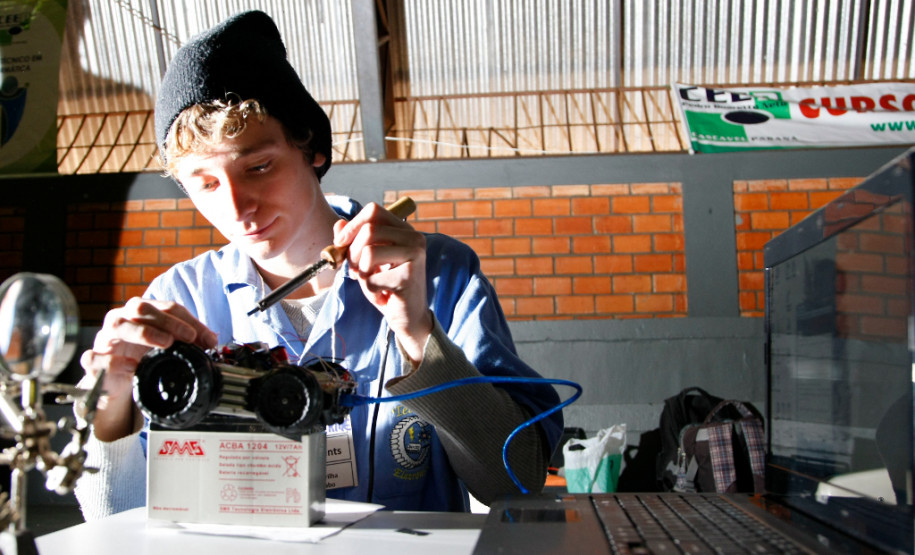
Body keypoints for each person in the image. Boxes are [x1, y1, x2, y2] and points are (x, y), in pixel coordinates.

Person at [74, 10, 563, 518]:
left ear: (309, 146)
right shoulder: (183, 300)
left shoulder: (438, 273)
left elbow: (517, 482)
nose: (237, 208)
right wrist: (111, 408)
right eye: (206, 183)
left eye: (258, 167)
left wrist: (419, 335)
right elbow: (116, 521)